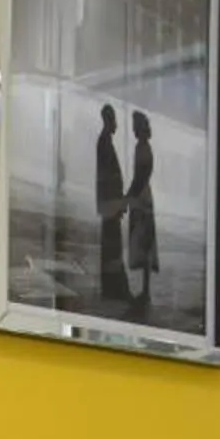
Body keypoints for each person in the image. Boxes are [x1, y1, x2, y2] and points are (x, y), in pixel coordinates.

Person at [93, 103, 130, 302]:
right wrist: (118, 202)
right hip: (110, 205)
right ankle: (115, 289)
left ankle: (113, 288)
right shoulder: (104, 143)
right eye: (114, 119)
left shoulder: (105, 141)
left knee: (112, 246)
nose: (116, 123)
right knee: (112, 247)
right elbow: (108, 179)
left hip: (109, 205)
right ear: (109, 120)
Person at [124, 109, 159, 312]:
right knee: (144, 244)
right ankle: (145, 290)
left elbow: (141, 175)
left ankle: (145, 292)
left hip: (141, 198)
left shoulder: (142, 148)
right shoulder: (144, 147)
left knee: (143, 243)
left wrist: (130, 196)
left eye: (135, 126)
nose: (134, 130)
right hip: (144, 196)